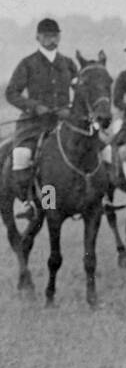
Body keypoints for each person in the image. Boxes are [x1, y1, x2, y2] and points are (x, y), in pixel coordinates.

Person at [5, 17, 76, 218]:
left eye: (55, 36)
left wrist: (70, 110)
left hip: (64, 122)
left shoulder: (68, 63)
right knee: (21, 156)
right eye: (46, 36)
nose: (51, 40)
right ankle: (33, 203)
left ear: (59, 37)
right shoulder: (27, 63)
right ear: (38, 37)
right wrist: (35, 107)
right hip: (35, 124)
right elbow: (12, 92)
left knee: (95, 149)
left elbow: (80, 91)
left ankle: (100, 197)